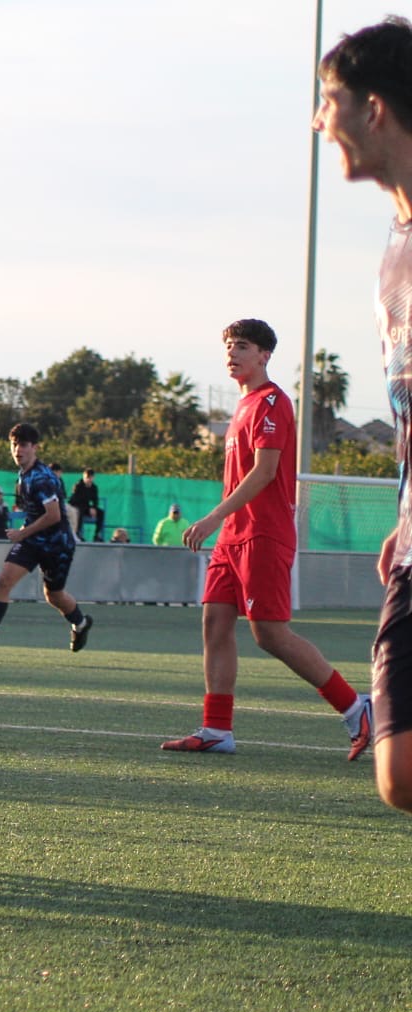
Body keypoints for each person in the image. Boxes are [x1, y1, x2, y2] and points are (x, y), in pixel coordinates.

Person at [160, 319, 372, 758]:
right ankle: (217, 729)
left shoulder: (273, 401)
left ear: (264, 355)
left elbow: (265, 472)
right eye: (228, 346)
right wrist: (223, 525)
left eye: (241, 346)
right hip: (233, 537)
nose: (232, 354)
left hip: (263, 533)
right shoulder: (242, 406)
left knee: (270, 634)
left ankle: (356, 707)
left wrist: (212, 517)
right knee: (214, 622)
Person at [314, 17, 412, 806]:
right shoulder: (396, 242)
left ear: (374, 109)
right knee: (400, 772)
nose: (320, 121)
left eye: (329, 101)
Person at [0, 424, 92, 655]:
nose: (17, 450)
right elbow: (36, 512)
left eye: (23, 445)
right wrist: (26, 531)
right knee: (4, 581)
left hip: (57, 544)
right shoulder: (23, 475)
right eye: (14, 445)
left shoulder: (41, 477)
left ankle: (81, 624)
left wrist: (22, 532)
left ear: (35, 447)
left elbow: (54, 515)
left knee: (54, 595)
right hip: (33, 540)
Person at [69, 468, 105, 543]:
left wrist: (94, 508)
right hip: (77, 506)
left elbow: (95, 500)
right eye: (87, 477)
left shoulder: (94, 487)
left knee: (101, 513)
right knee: (79, 511)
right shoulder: (78, 486)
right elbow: (77, 500)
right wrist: (89, 508)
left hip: (86, 507)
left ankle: (97, 535)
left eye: (91, 477)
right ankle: (78, 533)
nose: (89, 480)